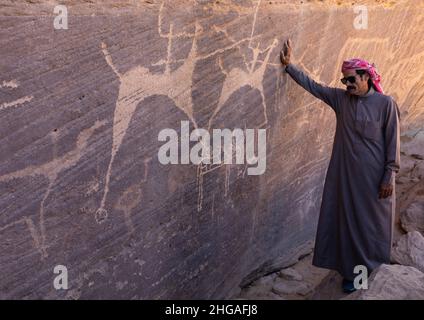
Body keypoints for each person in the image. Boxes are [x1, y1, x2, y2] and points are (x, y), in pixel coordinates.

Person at [280, 39, 401, 293]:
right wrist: (290, 66)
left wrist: (389, 175)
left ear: (366, 77)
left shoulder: (385, 104)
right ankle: (353, 275)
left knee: (373, 225)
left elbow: (393, 141)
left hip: (376, 180)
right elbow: (314, 87)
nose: (347, 85)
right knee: (348, 225)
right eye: (344, 81)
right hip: (347, 177)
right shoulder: (341, 100)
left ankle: (374, 271)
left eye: (351, 80)